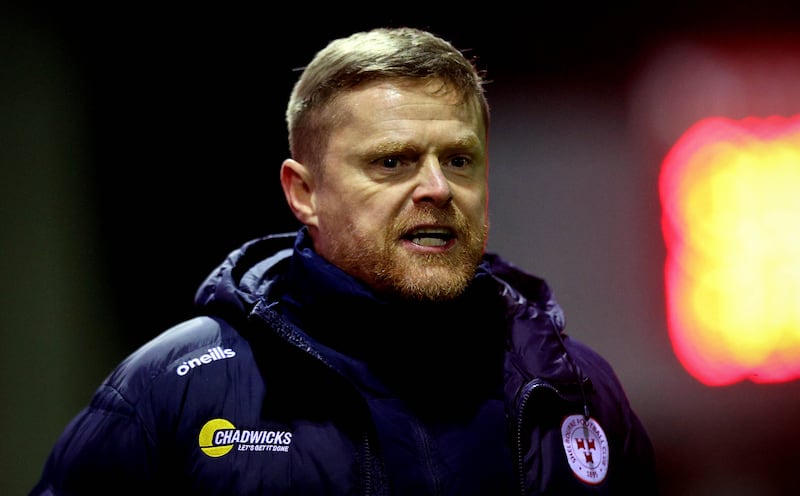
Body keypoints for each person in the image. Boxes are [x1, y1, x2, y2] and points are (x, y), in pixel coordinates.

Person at [30, 27, 658, 495]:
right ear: (304, 193)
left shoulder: (575, 389)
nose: (438, 188)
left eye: (459, 160)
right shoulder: (174, 390)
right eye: (393, 162)